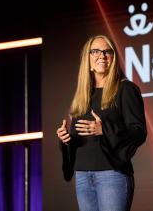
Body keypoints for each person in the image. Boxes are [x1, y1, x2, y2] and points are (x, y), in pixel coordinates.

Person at [57, 35, 147, 211]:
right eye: (96, 51)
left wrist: (104, 129)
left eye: (107, 51)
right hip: (83, 176)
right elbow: (80, 139)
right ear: (88, 59)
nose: (102, 56)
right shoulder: (83, 96)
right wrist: (66, 139)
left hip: (112, 175)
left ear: (113, 58)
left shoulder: (125, 89)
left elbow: (138, 132)